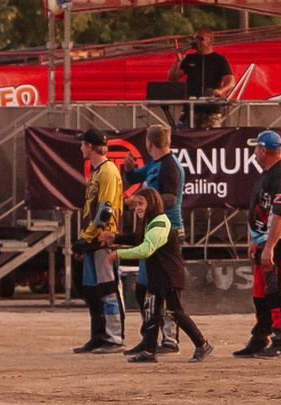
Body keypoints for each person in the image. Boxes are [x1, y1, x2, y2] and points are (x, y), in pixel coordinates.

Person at [116, 185, 209, 363]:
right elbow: (137, 238)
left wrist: (117, 254)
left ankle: (201, 344)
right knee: (151, 312)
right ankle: (149, 351)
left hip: (169, 277)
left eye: (140, 204)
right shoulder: (149, 222)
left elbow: (145, 248)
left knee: (175, 313)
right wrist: (114, 238)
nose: (137, 208)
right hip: (156, 277)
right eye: (135, 205)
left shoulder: (160, 222)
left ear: (151, 203)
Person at [237, 130, 281, 358]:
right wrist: (256, 242)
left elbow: (280, 213)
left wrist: (270, 246)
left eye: (256, 147)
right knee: (260, 293)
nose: (254, 152)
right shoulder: (269, 173)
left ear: (263, 150)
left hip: (279, 241)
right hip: (264, 240)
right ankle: (259, 338)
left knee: (277, 291)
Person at [130, 123, 188, 351]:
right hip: (154, 230)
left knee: (164, 290)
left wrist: (145, 202)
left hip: (167, 232)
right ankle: (149, 338)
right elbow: (135, 177)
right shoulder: (155, 164)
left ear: (149, 143)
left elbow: (171, 198)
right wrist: (128, 171)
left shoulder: (169, 167)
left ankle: (169, 339)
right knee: (145, 288)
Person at [71, 128, 125, 353]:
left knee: (108, 289)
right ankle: (99, 335)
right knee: (92, 291)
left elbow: (105, 211)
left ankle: (115, 337)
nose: (81, 147)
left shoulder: (108, 170)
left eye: (82, 144)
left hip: (104, 240)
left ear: (89, 146)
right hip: (94, 241)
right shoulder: (96, 171)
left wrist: (86, 237)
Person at [174, 31, 236, 110]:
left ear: (210, 40)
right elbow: (173, 78)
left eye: (201, 39)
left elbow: (231, 82)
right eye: (195, 39)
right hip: (192, 107)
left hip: (212, 107)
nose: (197, 41)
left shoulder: (219, 59)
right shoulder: (189, 58)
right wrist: (178, 61)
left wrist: (219, 91)